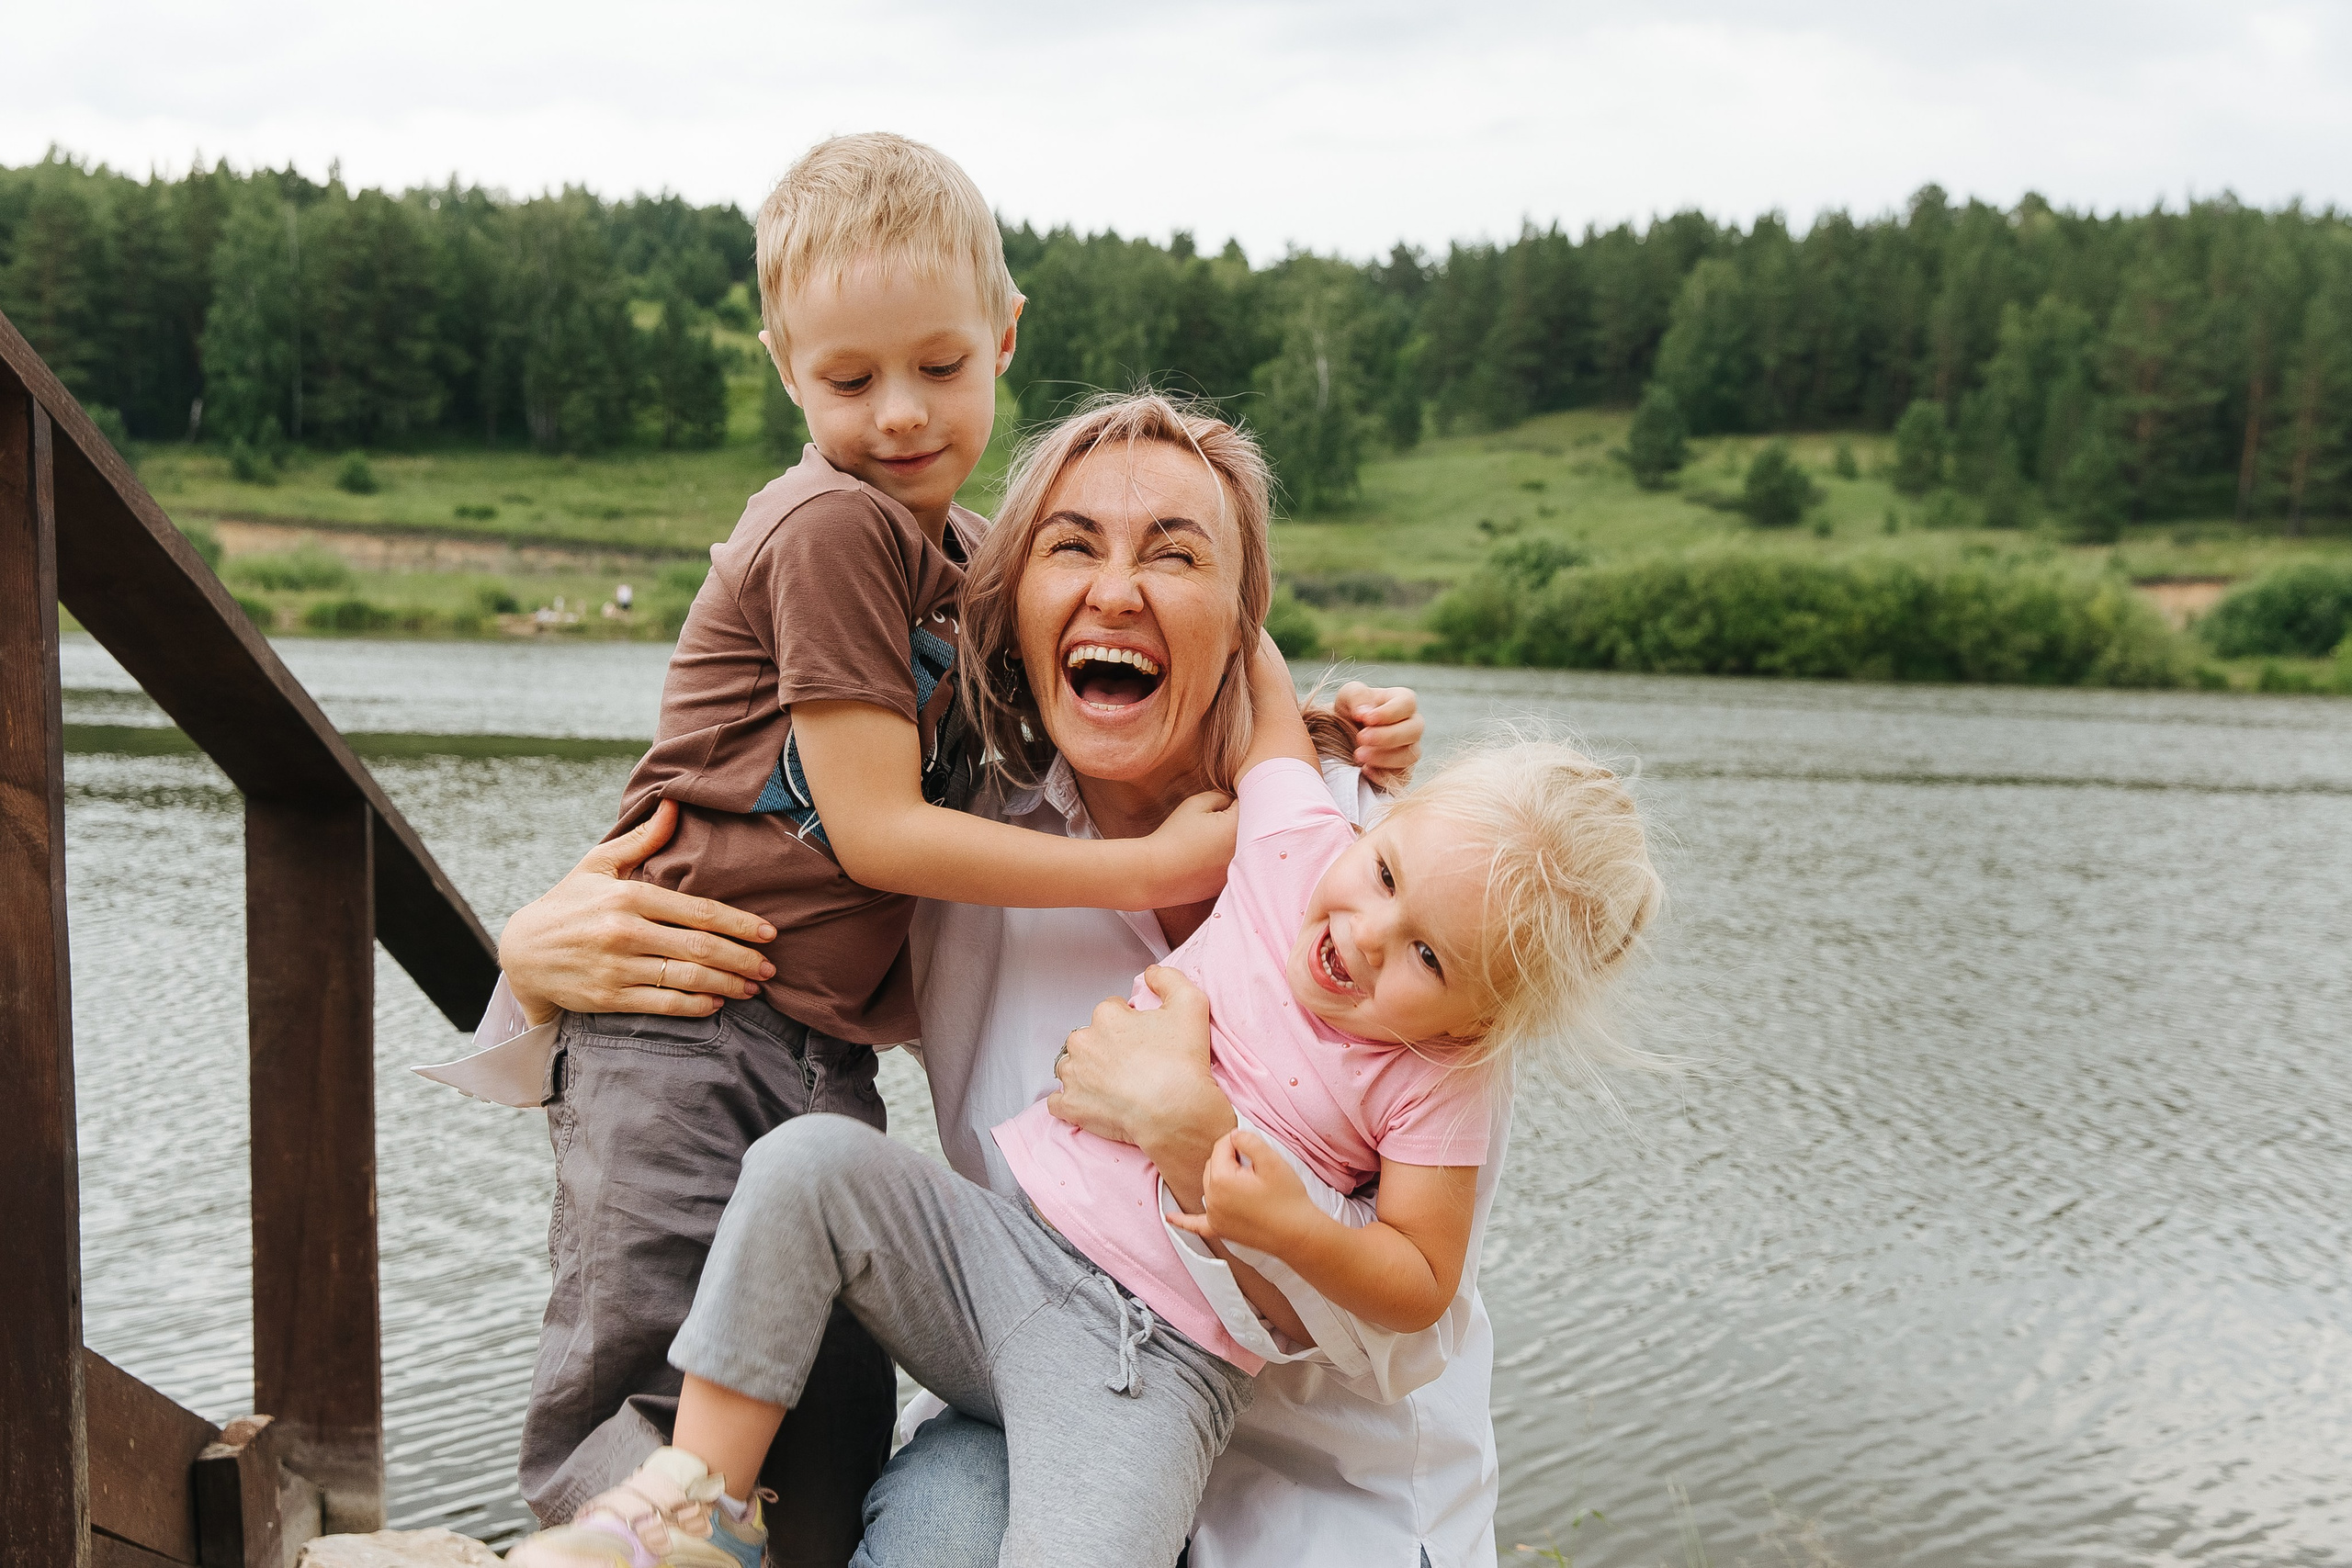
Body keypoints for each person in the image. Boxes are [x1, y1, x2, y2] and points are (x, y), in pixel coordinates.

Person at [476, 393, 1464, 1568]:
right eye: (1070, 546)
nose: (1115, 591)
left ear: (1242, 621)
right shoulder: (958, 856)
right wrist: (531, 973)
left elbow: (1406, 1328)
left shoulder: (1382, 879)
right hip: (1018, 1388)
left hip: (1311, 1470)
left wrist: (1196, 1145)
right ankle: (683, 1514)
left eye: (1174, 554)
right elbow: (746, 964)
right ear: (1012, 609)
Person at [441, 133, 1244, 1551]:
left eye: (940, 366)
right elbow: (876, 832)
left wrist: (1327, 734)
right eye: (848, 378)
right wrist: (1146, 867)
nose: (898, 414)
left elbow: (1188, 626)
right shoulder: (825, 524)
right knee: (644, 1391)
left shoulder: (961, 559)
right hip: (679, 1032)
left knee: (825, 1414)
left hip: (816, 1057)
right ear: (783, 366)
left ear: (1005, 337)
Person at [508, 623, 1661, 1566]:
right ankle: (691, 1502)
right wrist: (531, 965)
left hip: (1162, 1373)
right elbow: (1246, 649)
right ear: (1372, 825)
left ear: (1478, 1015)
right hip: (1004, 1267)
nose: (1364, 936)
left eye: (1425, 957)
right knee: (810, 1165)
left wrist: (1263, 1200)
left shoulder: (1444, 1063)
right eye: (1386, 874)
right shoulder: (1274, 839)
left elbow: (1417, 1291)